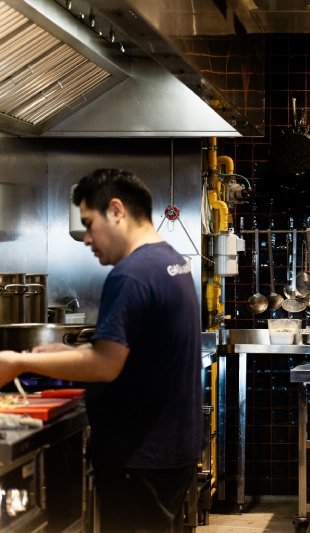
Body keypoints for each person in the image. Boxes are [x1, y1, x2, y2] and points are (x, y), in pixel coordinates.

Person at [0, 169, 202, 533]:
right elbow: (138, 350)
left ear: (116, 211)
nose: (87, 239)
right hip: (172, 450)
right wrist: (48, 358)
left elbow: (106, 363)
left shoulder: (131, 274)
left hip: (140, 456)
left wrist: (17, 361)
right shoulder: (171, 261)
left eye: (89, 224)